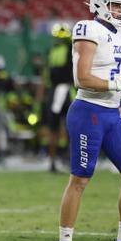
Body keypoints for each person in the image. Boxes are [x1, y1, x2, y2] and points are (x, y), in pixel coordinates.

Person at [54, 0, 121, 241]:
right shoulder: (87, 28)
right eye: (115, 5)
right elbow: (82, 78)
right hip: (89, 111)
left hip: (113, 114)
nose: (120, 11)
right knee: (80, 179)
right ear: (99, 4)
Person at [47, 23, 73, 173]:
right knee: (70, 128)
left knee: (53, 129)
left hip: (53, 92)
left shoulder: (52, 51)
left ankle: (52, 162)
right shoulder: (70, 50)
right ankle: (70, 161)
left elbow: (48, 74)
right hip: (67, 92)